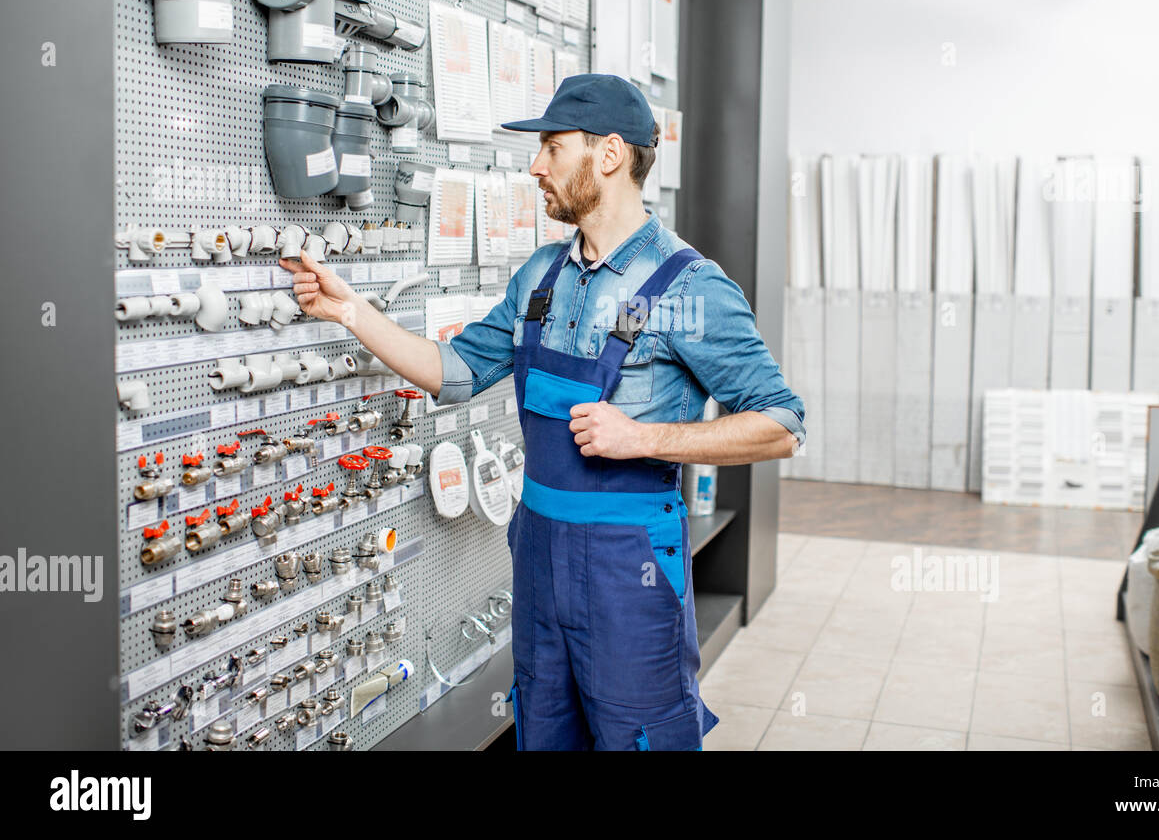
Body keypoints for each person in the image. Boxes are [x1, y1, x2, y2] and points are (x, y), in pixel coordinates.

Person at [281, 73, 806, 750]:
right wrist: (346, 307)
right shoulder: (540, 279)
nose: (536, 166)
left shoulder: (691, 286)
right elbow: (453, 369)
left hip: (631, 568)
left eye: (553, 148)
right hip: (538, 558)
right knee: (544, 732)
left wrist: (643, 436)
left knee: (639, 735)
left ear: (609, 155)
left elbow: (783, 424)